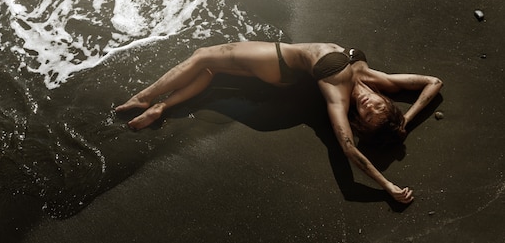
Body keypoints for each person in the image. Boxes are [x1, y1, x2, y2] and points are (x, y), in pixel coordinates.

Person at [115, 41, 443, 204]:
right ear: (388, 103)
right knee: (212, 73)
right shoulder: (377, 79)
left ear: (359, 121)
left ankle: (142, 97)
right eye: (380, 108)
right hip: (283, 75)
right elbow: (433, 82)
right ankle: (161, 108)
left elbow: (348, 150)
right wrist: (404, 123)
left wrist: (387, 187)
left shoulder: (338, 97)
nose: (370, 105)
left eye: (368, 115)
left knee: (203, 55)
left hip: (280, 63)